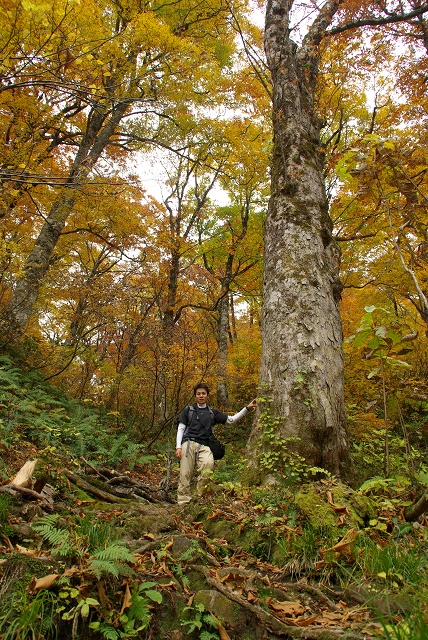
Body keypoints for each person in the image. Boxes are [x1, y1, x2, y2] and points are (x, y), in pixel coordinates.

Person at [175, 383, 256, 505]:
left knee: (208, 467)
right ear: (195, 396)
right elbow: (181, 428)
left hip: (205, 445)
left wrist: (247, 408)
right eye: (198, 394)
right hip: (188, 443)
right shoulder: (188, 411)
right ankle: (183, 501)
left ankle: (199, 497)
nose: (201, 396)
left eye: (203, 393)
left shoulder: (213, 413)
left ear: (207, 395)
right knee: (185, 472)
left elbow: (231, 420)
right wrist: (178, 446)